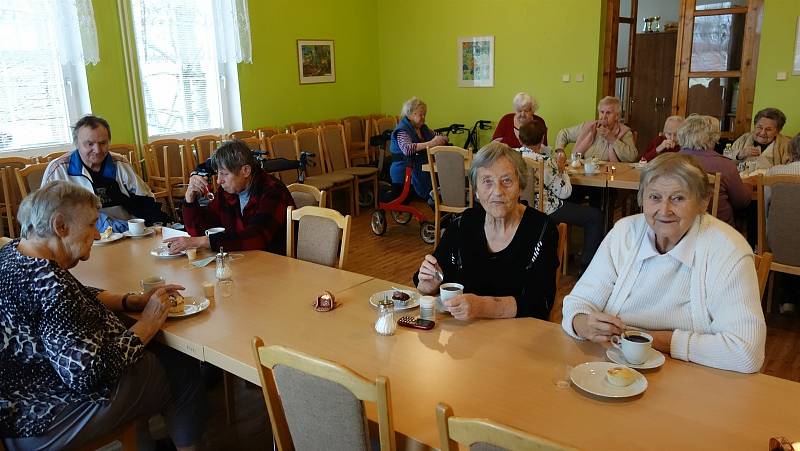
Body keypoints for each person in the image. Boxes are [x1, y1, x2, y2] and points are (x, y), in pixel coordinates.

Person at [0, 181, 206, 450]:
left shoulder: (12, 253)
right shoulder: (51, 284)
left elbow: (78, 292)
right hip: (49, 420)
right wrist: (147, 324)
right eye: (91, 225)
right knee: (180, 365)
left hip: (16, 405)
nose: (97, 235)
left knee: (149, 359)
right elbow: (88, 375)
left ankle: (145, 443)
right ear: (60, 226)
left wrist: (130, 300)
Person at [561, 153, 766, 374]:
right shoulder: (625, 232)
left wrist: (651, 340)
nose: (665, 210)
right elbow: (579, 302)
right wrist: (582, 324)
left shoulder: (727, 250)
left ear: (703, 202)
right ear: (641, 199)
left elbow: (746, 352)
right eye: (654, 197)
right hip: (613, 366)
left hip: (692, 377)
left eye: (678, 198)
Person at [415, 141, 559, 321]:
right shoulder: (463, 224)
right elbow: (433, 279)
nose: (497, 191)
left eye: (507, 181)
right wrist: (428, 284)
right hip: (467, 334)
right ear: (475, 190)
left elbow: (541, 302)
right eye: (487, 181)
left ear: (521, 186)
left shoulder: (541, 229)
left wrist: (482, 307)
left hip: (519, 338)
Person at [164, 139, 295, 255]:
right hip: (243, 261)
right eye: (218, 174)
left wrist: (201, 241)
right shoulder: (227, 192)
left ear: (245, 171)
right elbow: (201, 230)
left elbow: (257, 237)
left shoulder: (272, 191)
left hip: (274, 264)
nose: (218, 181)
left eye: (224, 174)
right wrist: (190, 200)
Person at [41, 115, 168, 233]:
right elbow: (45, 214)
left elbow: (146, 199)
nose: (97, 150)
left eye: (103, 143)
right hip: (80, 235)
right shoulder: (58, 170)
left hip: (125, 233)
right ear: (77, 144)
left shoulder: (120, 163)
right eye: (89, 144)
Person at [517, 119, 603, 273]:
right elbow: (565, 192)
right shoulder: (545, 162)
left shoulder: (511, 157)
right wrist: (562, 169)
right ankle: (586, 268)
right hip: (545, 210)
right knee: (594, 216)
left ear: (519, 138)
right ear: (542, 139)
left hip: (518, 208)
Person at [677, 115, 750, 226]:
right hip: (717, 229)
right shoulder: (725, 165)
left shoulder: (666, 163)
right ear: (714, 138)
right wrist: (748, 186)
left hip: (677, 226)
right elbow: (741, 202)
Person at [389, 97, 448, 202]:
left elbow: (437, 135)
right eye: (421, 114)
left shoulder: (422, 128)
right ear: (410, 114)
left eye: (424, 114)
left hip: (420, 168)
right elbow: (407, 149)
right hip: (404, 171)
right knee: (434, 195)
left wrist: (442, 138)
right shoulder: (402, 130)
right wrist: (432, 143)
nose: (424, 117)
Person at [555, 96, 638, 162]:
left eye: (608, 113)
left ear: (617, 116)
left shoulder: (624, 132)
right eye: (602, 112)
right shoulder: (589, 127)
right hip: (585, 175)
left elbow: (632, 157)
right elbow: (564, 133)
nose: (604, 117)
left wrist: (612, 139)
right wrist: (560, 150)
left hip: (611, 178)